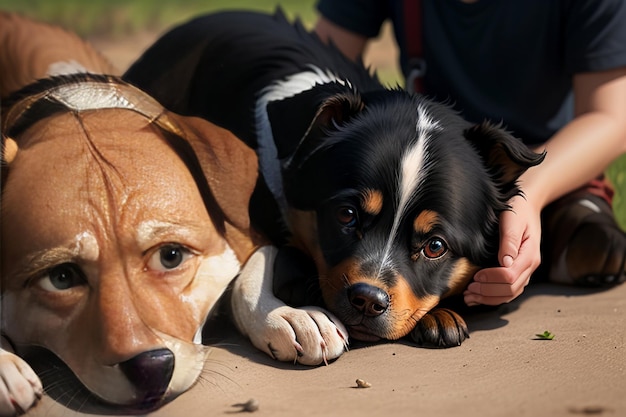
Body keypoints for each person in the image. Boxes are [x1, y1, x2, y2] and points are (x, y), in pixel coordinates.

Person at [314, 0, 626, 307]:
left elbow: (612, 118)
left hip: (543, 163)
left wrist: (528, 192)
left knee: (597, 247)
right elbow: (321, 65)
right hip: (423, 174)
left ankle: (566, 223)